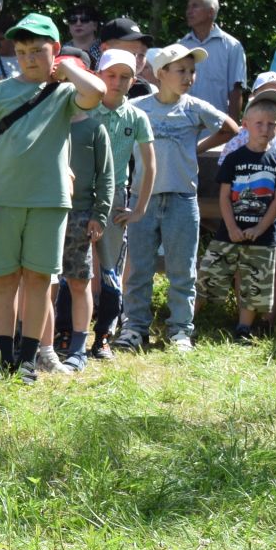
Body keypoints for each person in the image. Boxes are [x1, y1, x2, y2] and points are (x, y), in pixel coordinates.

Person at [0, 12, 106, 380]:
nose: (28, 58)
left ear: (55, 51)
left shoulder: (64, 93)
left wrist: (67, 69)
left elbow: (98, 93)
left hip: (50, 203)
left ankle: (28, 359)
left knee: (40, 281)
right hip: (2, 202)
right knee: (4, 280)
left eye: (38, 51)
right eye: (22, 50)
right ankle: (0, 357)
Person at [120, 42, 238, 352]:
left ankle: (180, 331)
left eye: (192, 71)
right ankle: (134, 328)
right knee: (139, 268)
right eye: (181, 70)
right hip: (141, 200)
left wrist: (195, 149)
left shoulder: (194, 107)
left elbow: (230, 128)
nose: (188, 76)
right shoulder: (137, 107)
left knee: (182, 270)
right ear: (161, 74)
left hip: (182, 199)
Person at [201, 95, 276, 339]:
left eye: (271, 124)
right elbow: (224, 196)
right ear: (245, 124)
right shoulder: (234, 158)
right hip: (229, 231)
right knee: (209, 275)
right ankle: (187, 322)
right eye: (259, 123)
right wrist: (231, 226)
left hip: (263, 236)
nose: (265, 129)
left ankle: (244, 328)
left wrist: (261, 228)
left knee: (254, 283)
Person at [84, 49, 155, 357]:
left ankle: (103, 336)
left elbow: (149, 164)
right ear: (99, 76)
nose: (117, 82)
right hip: (79, 195)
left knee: (111, 267)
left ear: (133, 80)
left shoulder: (137, 116)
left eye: (124, 77)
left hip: (114, 198)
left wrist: (139, 208)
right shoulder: (85, 108)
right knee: (73, 267)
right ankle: (66, 333)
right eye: (111, 75)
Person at [51, 76, 112, 373]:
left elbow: (107, 177)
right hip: (47, 212)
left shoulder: (95, 128)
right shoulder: (50, 124)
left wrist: (99, 215)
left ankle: (79, 347)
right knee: (44, 283)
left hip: (80, 215)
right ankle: (42, 343)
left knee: (79, 282)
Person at [179, 0, 246, 118]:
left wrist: (231, 131)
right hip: (184, 125)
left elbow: (236, 91)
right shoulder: (182, 46)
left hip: (217, 126)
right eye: (188, 7)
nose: (188, 11)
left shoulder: (232, 47)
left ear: (210, 12)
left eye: (195, 6)